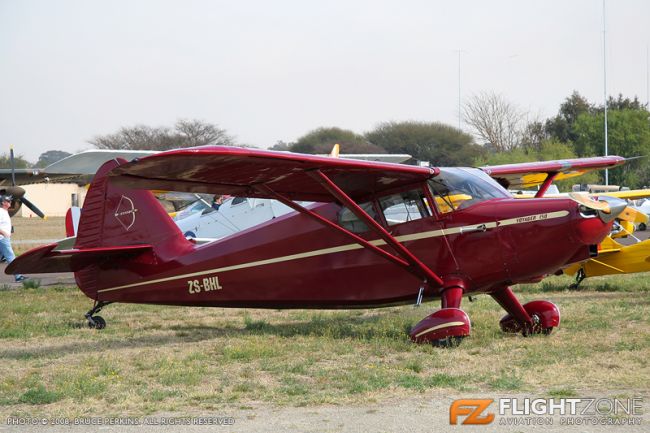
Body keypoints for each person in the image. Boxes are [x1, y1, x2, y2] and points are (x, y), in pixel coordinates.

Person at [0, 195, 26, 282]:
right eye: (8, 201)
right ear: (3, 203)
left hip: (3, 238)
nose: (10, 202)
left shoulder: (4, 211)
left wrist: (9, 232)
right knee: (11, 257)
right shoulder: (0, 212)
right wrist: (4, 233)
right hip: (2, 239)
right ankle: (18, 276)